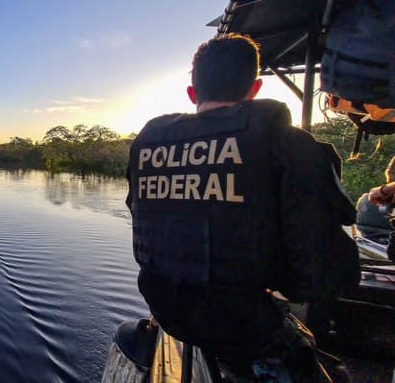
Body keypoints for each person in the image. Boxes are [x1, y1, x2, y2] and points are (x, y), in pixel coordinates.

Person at [126, 34, 360, 377]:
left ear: (192, 93)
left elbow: (141, 215)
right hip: (246, 327)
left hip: (165, 309)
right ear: (255, 89)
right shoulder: (289, 145)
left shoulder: (146, 145)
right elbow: (329, 274)